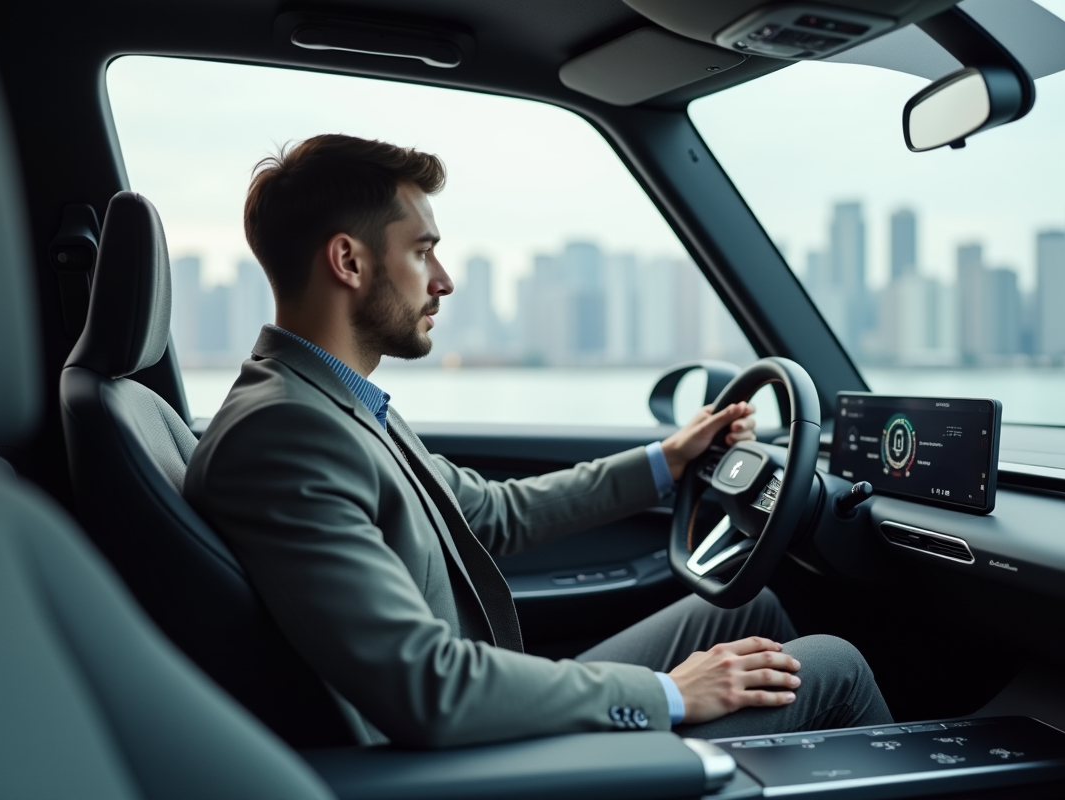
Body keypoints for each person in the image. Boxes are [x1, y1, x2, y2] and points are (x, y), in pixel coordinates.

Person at [185, 134, 891, 748]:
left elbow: (492, 512)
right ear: (349, 261)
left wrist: (669, 461)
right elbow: (425, 687)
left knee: (748, 610)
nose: (444, 281)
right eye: (423, 251)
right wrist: (672, 695)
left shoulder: (333, 402)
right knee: (832, 665)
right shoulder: (286, 434)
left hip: (469, 723)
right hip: (451, 762)